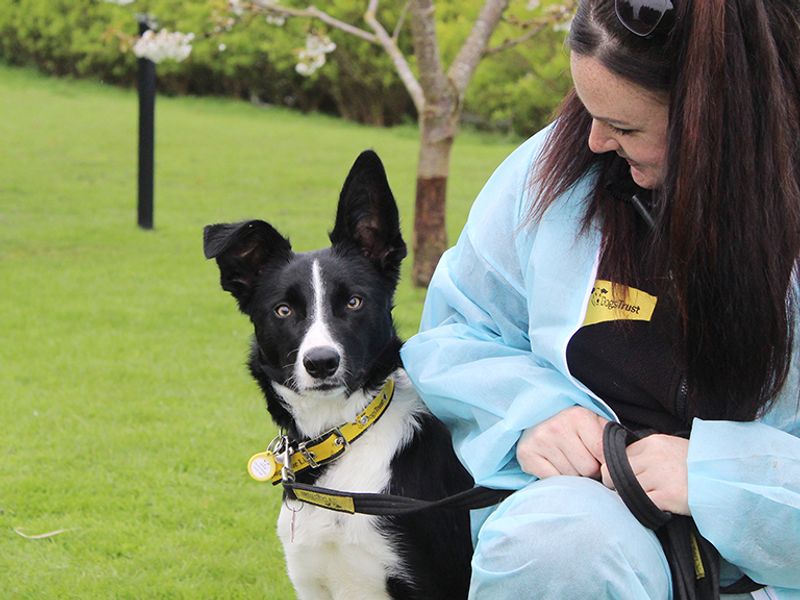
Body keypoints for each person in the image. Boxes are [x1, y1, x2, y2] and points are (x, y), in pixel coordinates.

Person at [400, 0, 800, 598]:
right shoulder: (551, 171)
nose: (594, 140)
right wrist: (533, 414)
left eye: (627, 126)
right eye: (586, 112)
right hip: (594, 531)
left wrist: (722, 476)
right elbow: (463, 329)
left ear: (720, 120)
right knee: (555, 545)